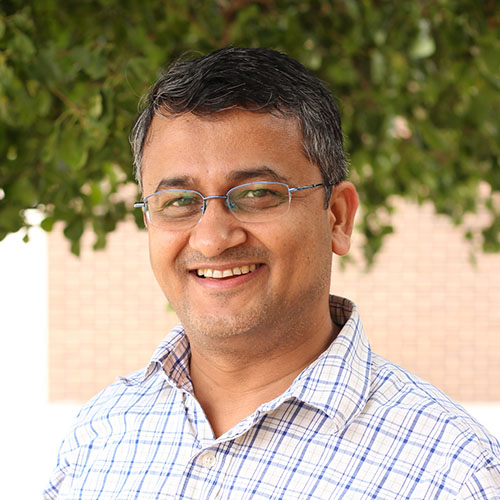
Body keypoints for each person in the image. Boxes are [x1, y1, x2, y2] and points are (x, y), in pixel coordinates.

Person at [44, 47, 500, 499]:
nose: (211, 239)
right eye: (178, 202)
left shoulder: (454, 473)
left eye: (258, 194)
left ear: (337, 217)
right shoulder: (99, 434)